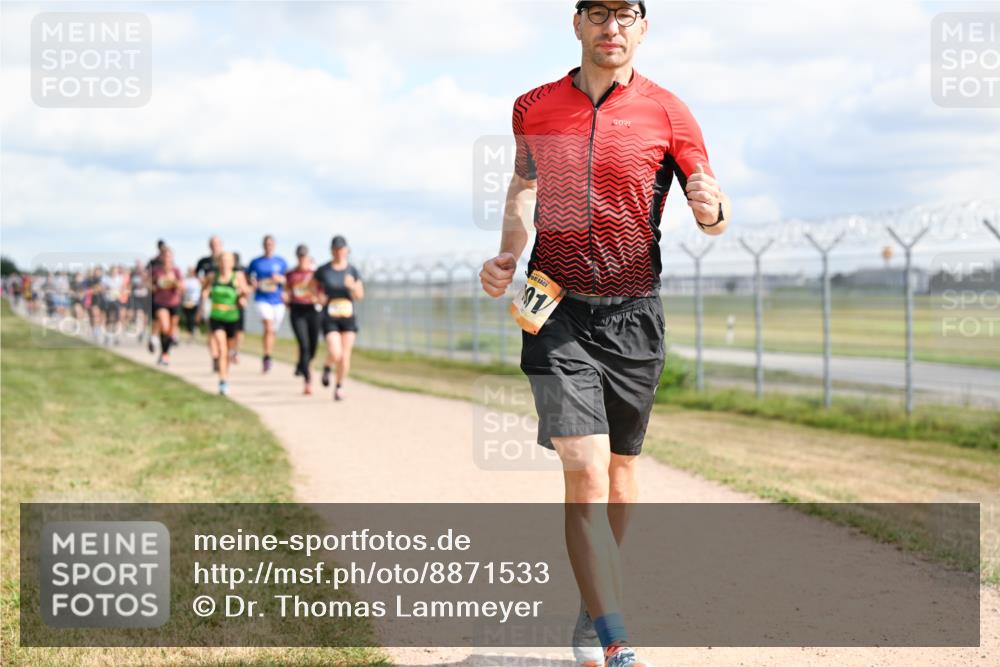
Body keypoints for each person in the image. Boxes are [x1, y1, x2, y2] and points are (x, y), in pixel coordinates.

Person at [479, 3, 731, 666]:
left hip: (634, 315)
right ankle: (615, 637)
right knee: (585, 469)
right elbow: (523, 186)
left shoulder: (669, 111)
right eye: (597, 12)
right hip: (555, 310)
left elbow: (710, 201)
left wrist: (712, 210)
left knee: (620, 471)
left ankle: (594, 605)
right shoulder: (533, 107)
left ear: (643, 27)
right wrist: (508, 253)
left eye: (624, 13)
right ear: (577, 24)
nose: (610, 26)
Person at [312, 235, 363, 401]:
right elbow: (312, 286)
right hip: (330, 317)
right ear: (331, 251)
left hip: (348, 317)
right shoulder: (324, 270)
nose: (339, 252)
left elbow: (360, 295)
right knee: (336, 353)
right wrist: (318, 297)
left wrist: (352, 286)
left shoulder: (352, 271)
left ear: (347, 250)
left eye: (342, 249)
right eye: (336, 249)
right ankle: (327, 366)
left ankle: (339, 387)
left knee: (345, 355)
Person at [204, 252, 249, 396]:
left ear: (232, 263)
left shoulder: (238, 277)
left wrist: (242, 296)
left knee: (228, 352)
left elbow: (245, 292)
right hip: (216, 316)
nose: (225, 263)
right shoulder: (213, 277)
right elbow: (204, 290)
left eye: (228, 261)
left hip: (232, 317)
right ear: (219, 263)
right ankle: (222, 381)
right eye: (222, 261)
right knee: (222, 349)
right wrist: (204, 296)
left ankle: (225, 375)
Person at [246, 235, 288, 373]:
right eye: (266, 244)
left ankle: (268, 353)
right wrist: (252, 282)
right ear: (263, 245)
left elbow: (288, 280)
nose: (268, 246)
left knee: (272, 330)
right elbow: (247, 276)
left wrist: (280, 279)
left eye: (271, 244)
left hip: (277, 300)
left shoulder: (281, 262)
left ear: (274, 245)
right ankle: (267, 357)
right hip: (262, 299)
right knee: (268, 327)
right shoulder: (256, 262)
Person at [285, 244, 320, 395]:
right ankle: (307, 379)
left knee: (313, 346)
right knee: (304, 344)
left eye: (304, 256)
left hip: (313, 311)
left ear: (308, 257)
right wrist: (285, 297)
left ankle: (301, 364)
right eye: (300, 256)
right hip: (297, 311)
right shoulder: (291, 274)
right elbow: (286, 291)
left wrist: (318, 297)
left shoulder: (315, 274)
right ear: (297, 257)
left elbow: (322, 292)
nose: (302, 259)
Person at [150, 247, 183, 365]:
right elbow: (150, 286)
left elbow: (182, 288)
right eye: (165, 256)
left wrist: (174, 282)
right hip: (161, 302)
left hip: (174, 302)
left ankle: (165, 354)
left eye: (169, 256)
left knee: (170, 331)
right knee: (164, 327)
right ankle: (163, 352)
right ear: (161, 257)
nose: (167, 259)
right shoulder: (156, 271)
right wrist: (157, 285)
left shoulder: (176, 271)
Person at [196, 235, 224, 369]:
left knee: (223, 331)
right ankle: (215, 356)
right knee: (211, 329)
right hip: (208, 298)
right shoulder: (204, 261)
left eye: (217, 243)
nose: (215, 246)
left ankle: (222, 353)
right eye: (212, 244)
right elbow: (197, 274)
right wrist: (203, 282)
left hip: (224, 301)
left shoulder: (225, 260)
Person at [181, 266, 202, 343]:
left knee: (193, 318)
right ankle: (190, 334)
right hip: (186, 302)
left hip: (195, 302)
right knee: (188, 319)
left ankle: (193, 331)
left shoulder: (197, 281)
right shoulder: (185, 280)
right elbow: (182, 290)